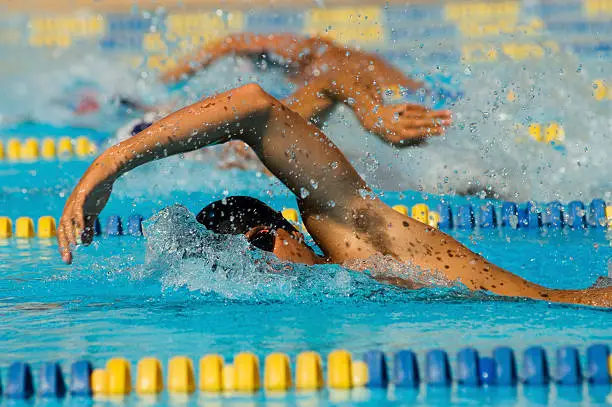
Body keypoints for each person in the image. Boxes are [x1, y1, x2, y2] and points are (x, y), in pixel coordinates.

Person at [57, 83, 611, 307]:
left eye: (253, 261)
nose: (264, 276)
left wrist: (106, 168)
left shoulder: (350, 234)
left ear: (275, 233)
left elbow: (252, 106)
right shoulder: (331, 282)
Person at [160, 33, 452, 146]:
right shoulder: (304, 53)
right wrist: (169, 79)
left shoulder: (341, 64)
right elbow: (227, 42)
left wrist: (375, 115)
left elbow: (337, 77)